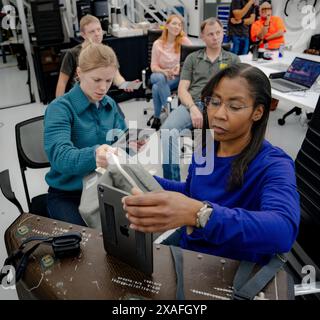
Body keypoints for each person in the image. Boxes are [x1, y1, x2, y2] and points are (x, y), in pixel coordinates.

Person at [123, 63, 300, 265]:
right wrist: (130, 171)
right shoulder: (208, 148)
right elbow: (191, 191)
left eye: (234, 106)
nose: (218, 114)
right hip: (191, 252)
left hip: (228, 267)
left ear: (258, 112)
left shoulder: (274, 165)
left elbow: (283, 231)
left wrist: (200, 214)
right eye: (214, 102)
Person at [45, 43, 127, 225]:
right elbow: (60, 156)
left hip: (105, 186)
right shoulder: (59, 108)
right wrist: (95, 155)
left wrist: (132, 144)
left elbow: (122, 138)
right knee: (87, 244)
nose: (103, 88)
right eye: (96, 80)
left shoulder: (109, 104)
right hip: (68, 194)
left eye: (108, 80)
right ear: (79, 73)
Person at [161, 18, 240, 181]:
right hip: (193, 103)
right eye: (210, 34)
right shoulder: (192, 58)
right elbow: (182, 89)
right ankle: (172, 184)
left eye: (218, 33)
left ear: (223, 33)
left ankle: (215, 183)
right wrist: (192, 108)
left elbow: (238, 90)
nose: (215, 37)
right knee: (167, 131)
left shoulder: (233, 60)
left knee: (212, 144)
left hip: (219, 106)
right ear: (202, 36)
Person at [55, 14, 131, 97]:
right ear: (83, 35)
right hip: (79, 97)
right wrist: (59, 105)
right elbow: (62, 83)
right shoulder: (72, 54)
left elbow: (116, 77)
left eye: (99, 30)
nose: (97, 34)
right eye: (92, 31)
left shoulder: (106, 52)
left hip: (100, 95)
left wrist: (126, 85)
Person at [150, 14, 192, 130]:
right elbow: (153, 66)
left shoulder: (184, 41)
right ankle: (172, 114)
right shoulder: (157, 44)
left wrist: (180, 66)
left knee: (156, 88)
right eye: (174, 23)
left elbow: (192, 59)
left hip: (176, 77)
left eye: (179, 25)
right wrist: (163, 71)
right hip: (159, 75)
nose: (177, 27)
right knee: (159, 79)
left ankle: (157, 117)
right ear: (167, 25)